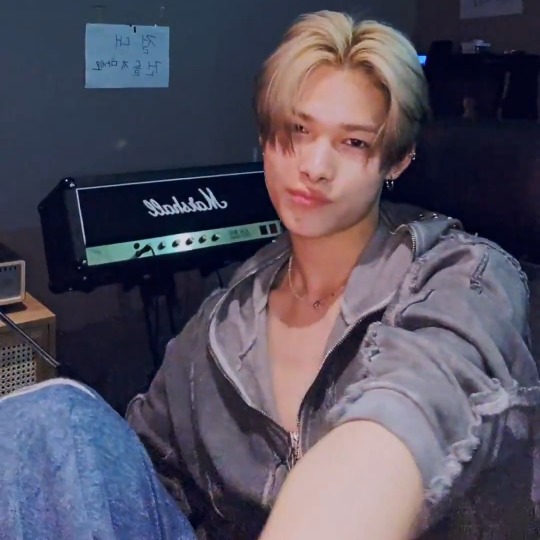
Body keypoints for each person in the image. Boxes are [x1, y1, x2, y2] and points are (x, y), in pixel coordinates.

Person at [1, 10, 539, 540]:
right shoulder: (221, 322)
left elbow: (413, 410)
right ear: (265, 138)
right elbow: (135, 470)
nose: (314, 166)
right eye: (298, 130)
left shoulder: (463, 277)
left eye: (353, 142)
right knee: (49, 414)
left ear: (396, 161)